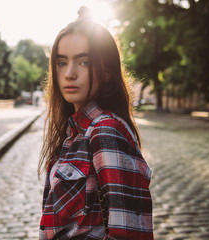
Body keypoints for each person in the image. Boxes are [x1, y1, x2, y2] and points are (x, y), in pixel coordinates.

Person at [38, 7, 153, 240]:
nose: (69, 74)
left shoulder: (105, 131)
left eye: (84, 62)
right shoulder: (73, 132)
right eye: (61, 62)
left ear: (108, 72)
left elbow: (129, 234)